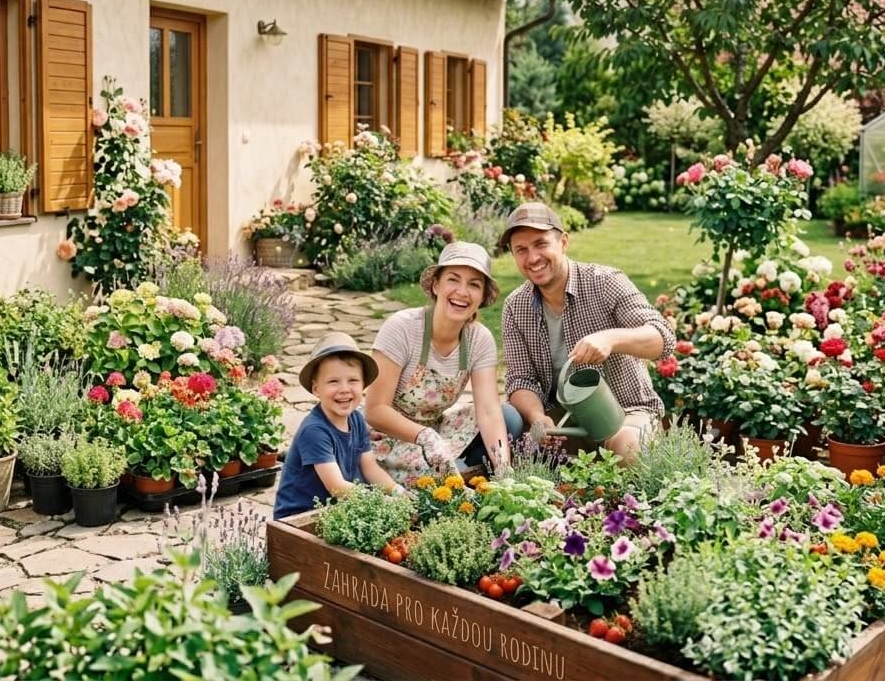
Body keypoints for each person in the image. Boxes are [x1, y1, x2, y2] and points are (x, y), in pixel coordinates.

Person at [498, 202, 676, 464]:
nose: (532, 258)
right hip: (563, 421)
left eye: (541, 244)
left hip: (625, 413)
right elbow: (520, 379)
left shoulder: (605, 282)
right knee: (508, 442)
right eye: (521, 250)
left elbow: (663, 339)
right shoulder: (516, 306)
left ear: (564, 242)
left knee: (625, 449)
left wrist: (611, 338)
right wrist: (538, 418)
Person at [365, 241, 523, 483]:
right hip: (387, 437)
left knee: (508, 417)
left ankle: (461, 474)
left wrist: (504, 471)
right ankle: (444, 477)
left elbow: (489, 411)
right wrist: (425, 437)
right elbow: (375, 410)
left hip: (436, 431)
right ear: (436, 285)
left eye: (474, 284)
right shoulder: (403, 327)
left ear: (481, 297)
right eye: (453, 279)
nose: (462, 291)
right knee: (431, 476)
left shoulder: (479, 339)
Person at [273, 332, 399, 519]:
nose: (344, 389)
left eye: (353, 380)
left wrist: (397, 492)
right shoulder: (314, 430)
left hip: (335, 511)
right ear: (316, 389)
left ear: (363, 384)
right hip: (300, 518)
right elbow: (337, 487)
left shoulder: (356, 419)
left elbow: (369, 467)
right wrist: (380, 501)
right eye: (333, 381)